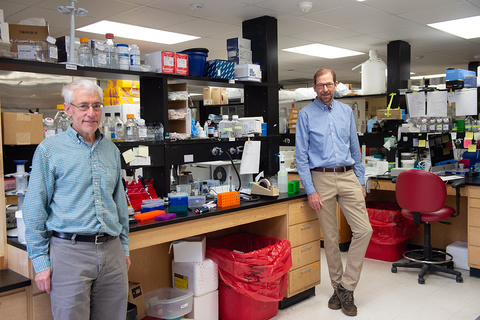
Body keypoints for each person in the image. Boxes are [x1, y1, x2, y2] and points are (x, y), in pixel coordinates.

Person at [23, 79, 130, 319]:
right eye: (83, 106)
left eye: (96, 106)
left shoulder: (111, 150)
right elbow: (34, 209)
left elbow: (119, 205)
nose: (91, 113)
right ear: (68, 109)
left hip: (112, 251)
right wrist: (40, 262)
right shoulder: (49, 150)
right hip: (69, 252)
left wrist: (124, 248)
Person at [295, 68, 372, 317]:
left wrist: (360, 181)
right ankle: (338, 287)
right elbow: (301, 156)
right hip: (321, 178)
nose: (325, 89)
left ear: (336, 85)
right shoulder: (305, 115)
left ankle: (346, 287)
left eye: (329, 85)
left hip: (348, 175)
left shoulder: (346, 112)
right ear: (314, 88)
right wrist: (311, 190)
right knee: (330, 237)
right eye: (320, 85)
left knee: (364, 230)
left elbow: (354, 146)